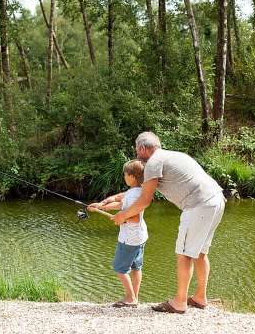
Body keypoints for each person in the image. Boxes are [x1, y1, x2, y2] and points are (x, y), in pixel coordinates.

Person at [108, 132, 225, 314]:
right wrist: (108, 203)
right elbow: (139, 193)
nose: (137, 155)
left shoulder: (154, 163)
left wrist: (122, 216)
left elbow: (145, 200)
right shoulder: (174, 155)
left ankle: (179, 302)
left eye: (137, 150)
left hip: (197, 205)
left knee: (184, 254)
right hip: (216, 199)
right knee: (200, 252)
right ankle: (200, 297)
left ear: (142, 148)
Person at [89, 159, 148, 308]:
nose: (124, 177)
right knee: (136, 268)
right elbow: (121, 204)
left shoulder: (133, 195)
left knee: (120, 269)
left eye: (125, 174)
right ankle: (134, 297)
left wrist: (121, 219)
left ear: (133, 176)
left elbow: (134, 217)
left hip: (129, 239)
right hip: (139, 237)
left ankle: (130, 298)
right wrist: (100, 207)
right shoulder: (138, 192)